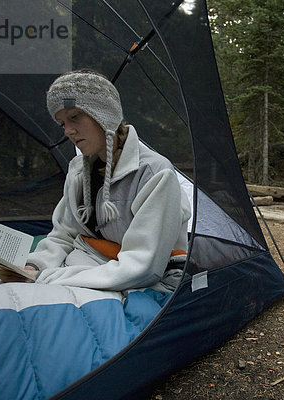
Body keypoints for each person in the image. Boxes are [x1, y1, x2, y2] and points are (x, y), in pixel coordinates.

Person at [15, 69, 191, 292]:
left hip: (137, 283)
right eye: (62, 123)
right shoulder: (79, 171)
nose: (68, 131)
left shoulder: (154, 174)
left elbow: (142, 267)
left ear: (103, 115)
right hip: (84, 267)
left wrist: (49, 278)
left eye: (75, 117)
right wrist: (34, 267)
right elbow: (63, 234)